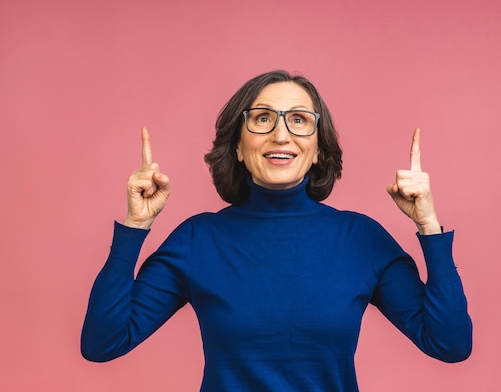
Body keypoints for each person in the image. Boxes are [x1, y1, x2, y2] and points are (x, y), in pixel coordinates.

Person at [81, 70, 472, 391]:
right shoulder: (198, 239)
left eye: (299, 120)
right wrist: (137, 225)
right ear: (237, 144)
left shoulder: (361, 239)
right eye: (263, 118)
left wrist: (428, 226)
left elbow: (449, 344)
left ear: (318, 148)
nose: (281, 135)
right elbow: (103, 343)